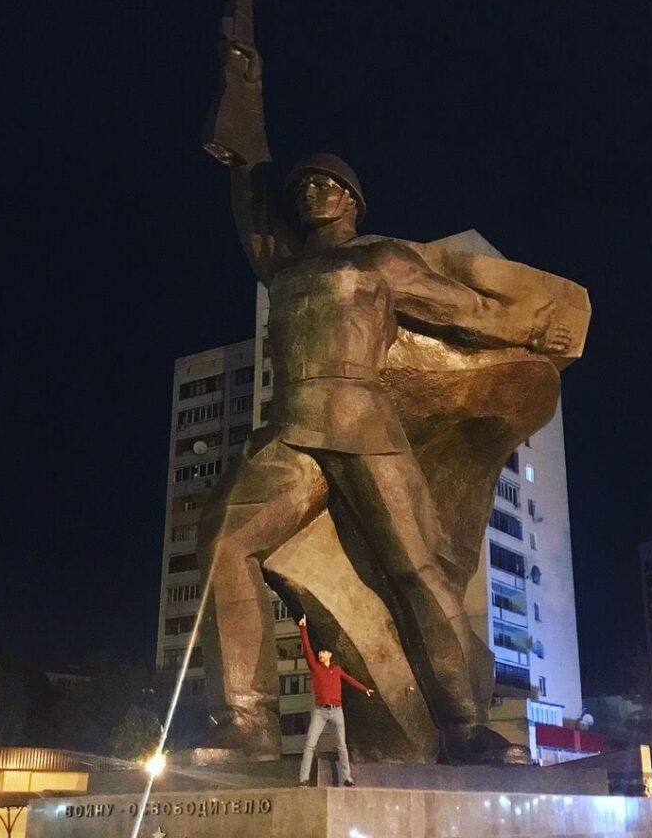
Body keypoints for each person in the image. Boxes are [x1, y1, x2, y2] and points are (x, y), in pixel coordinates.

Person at [197, 41, 572, 763]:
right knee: (226, 543)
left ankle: (463, 728)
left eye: (325, 185)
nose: (310, 193)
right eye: (303, 186)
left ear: (352, 201)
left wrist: (534, 328)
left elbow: (465, 309)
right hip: (294, 432)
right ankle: (245, 721)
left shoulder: (380, 260)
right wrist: (244, 83)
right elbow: (249, 179)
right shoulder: (285, 263)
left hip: (366, 425)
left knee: (416, 570)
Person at [296, 615, 373, 787]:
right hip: (320, 711)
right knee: (310, 745)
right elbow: (308, 650)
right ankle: (303, 779)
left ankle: (347, 778)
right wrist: (303, 629)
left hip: (337, 711)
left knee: (341, 746)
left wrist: (364, 689)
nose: (319, 654)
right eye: (319, 652)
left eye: (323, 652)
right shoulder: (315, 667)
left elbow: (349, 679)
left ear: (329, 655)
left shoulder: (337, 670)